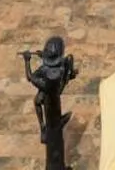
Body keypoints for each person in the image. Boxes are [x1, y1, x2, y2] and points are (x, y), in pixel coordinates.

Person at [22, 36, 77, 170]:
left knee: (37, 102)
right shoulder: (61, 67)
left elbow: (30, 77)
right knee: (56, 137)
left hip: (51, 111)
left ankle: (43, 128)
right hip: (55, 102)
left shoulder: (46, 81)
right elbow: (66, 62)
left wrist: (27, 61)